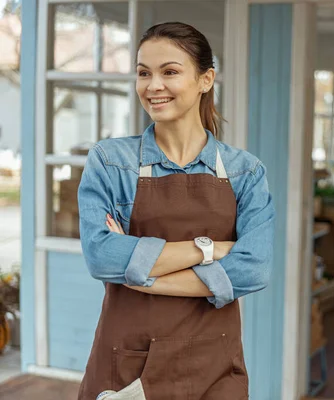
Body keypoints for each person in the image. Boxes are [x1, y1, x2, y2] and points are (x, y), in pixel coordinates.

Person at [76, 21, 275, 400]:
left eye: (170, 72)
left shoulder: (245, 172)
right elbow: (101, 256)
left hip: (216, 370)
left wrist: (141, 276)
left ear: (206, 79)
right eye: (143, 73)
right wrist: (210, 250)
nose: (153, 86)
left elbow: (253, 268)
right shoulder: (111, 162)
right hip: (129, 365)